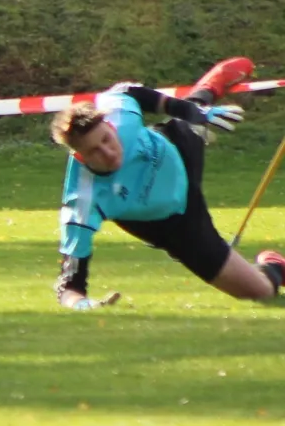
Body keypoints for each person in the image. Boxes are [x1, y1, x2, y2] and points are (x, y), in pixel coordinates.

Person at [51, 57, 285, 309]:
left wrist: (192, 112)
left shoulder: (119, 114)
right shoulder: (83, 201)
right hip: (174, 223)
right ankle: (275, 265)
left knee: (195, 115)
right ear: (79, 157)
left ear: (110, 125)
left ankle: (210, 86)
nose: (108, 153)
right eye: (94, 151)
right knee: (260, 291)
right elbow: (68, 288)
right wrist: (84, 306)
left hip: (177, 150)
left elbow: (126, 90)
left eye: (107, 140)